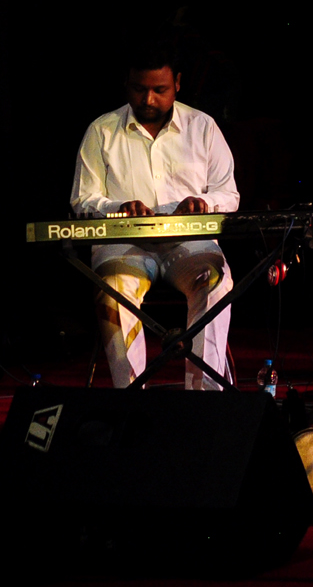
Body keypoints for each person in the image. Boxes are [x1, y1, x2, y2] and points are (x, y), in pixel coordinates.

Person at [70, 41, 239, 389]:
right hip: (124, 243)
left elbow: (229, 194)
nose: (148, 99)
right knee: (113, 290)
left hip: (189, 243)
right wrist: (117, 209)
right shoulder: (102, 130)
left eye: (159, 90)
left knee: (216, 282)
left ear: (177, 83)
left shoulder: (202, 126)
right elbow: (82, 199)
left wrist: (203, 203)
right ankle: (132, 395)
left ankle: (205, 397)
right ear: (126, 84)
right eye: (139, 89)